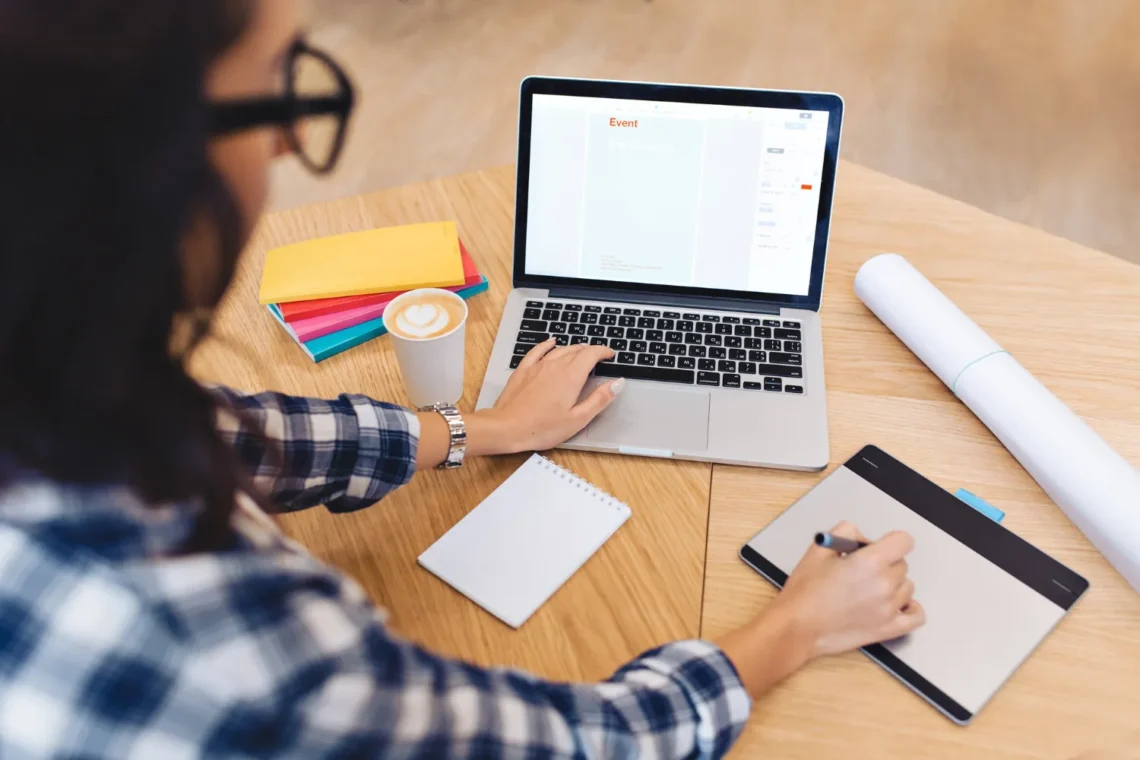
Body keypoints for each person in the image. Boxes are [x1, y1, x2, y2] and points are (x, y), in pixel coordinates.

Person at [0, 0, 925, 756]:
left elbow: (220, 432)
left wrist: (478, 429)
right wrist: (794, 627)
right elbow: (581, 745)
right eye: (280, 83)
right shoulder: (235, 653)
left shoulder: (51, 381)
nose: (288, 141)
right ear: (147, 162)